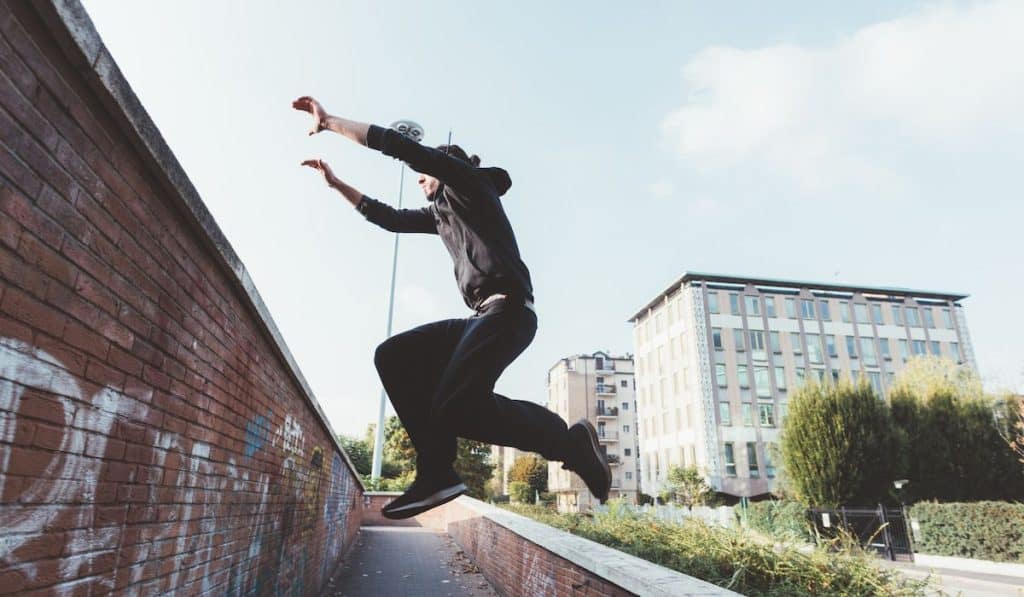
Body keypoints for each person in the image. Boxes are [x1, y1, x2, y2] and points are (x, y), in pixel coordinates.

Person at [293, 96, 611, 518]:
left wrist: (330, 122)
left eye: (424, 175)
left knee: (455, 407)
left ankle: (562, 443)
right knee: (394, 356)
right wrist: (337, 186)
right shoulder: (442, 216)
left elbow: (399, 146)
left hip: (509, 310)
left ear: (441, 167)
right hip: (481, 317)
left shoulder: (467, 184)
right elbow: (388, 218)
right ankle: (438, 470)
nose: (421, 183)